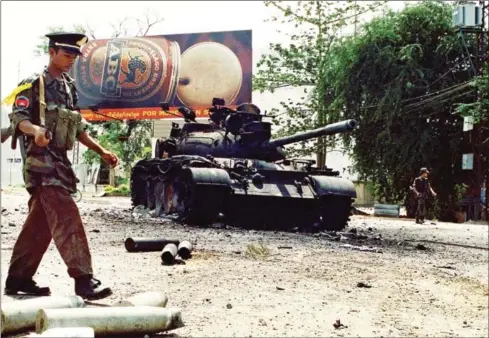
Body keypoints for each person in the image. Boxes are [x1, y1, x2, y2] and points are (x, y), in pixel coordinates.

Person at [4, 32, 120, 300]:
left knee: (40, 224)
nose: (71, 61)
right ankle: (84, 279)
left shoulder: (69, 87)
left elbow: (78, 127)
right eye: (67, 55)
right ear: (52, 51)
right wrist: (34, 130)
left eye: (74, 57)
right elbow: (17, 118)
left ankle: (18, 278)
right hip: (41, 164)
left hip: (60, 164)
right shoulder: (33, 83)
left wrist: (102, 151)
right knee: (66, 214)